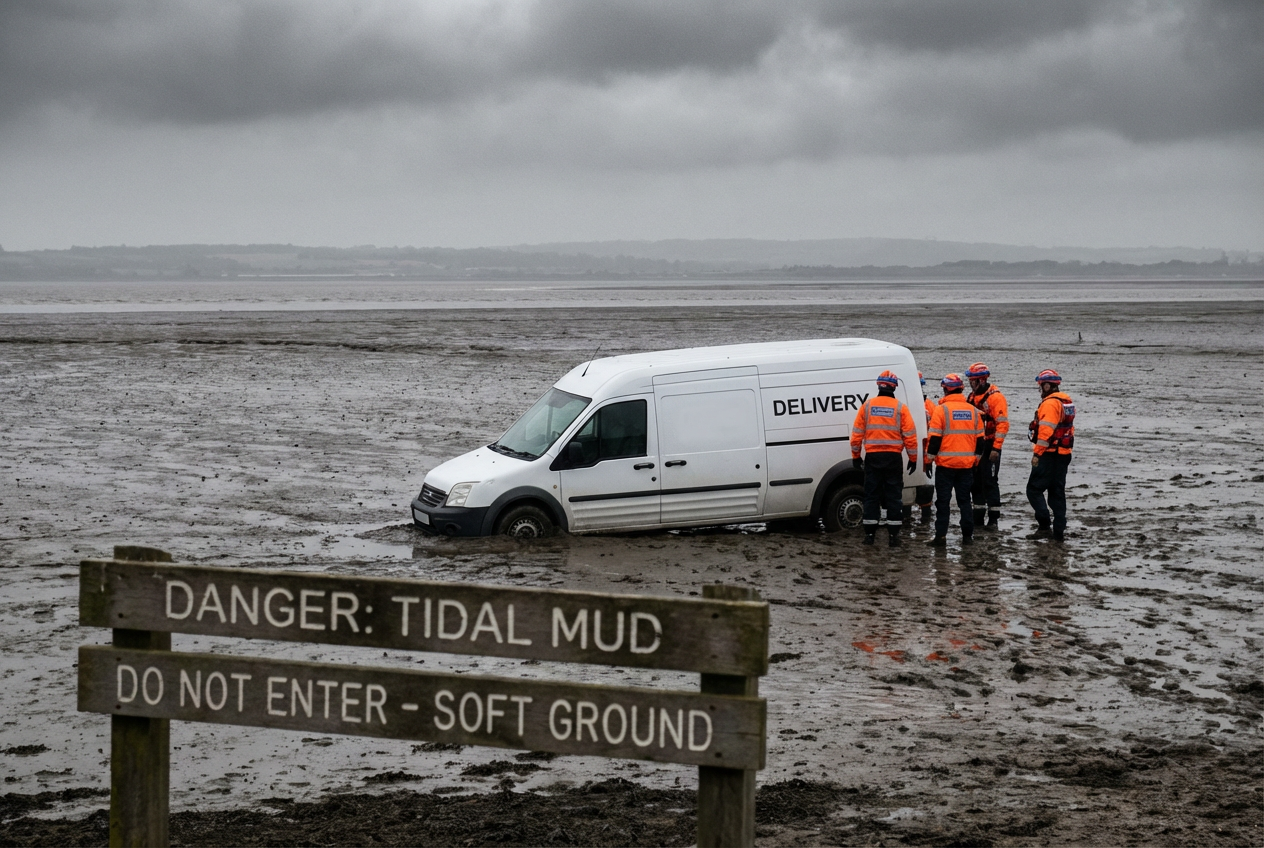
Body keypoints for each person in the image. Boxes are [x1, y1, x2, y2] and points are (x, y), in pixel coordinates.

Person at [851, 370, 918, 547]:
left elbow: (857, 434)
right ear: (894, 387)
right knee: (894, 496)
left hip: (873, 457)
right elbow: (910, 436)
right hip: (893, 458)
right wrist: (913, 458)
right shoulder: (901, 408)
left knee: (871, 496)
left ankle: (869, 536)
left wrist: (856, 456)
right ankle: (894, 537)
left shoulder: (867, 406)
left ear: (878, 386)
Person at [925, 373, 986, 547]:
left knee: (943, 502)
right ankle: (967, 536)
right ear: (961, 389)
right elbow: (980, 441)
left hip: (945, 466)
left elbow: (935, 439)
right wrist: (976, 460)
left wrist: (928, 460)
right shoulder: (973, 411)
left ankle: (941, 537)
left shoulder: (940, 410)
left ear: (945, 389)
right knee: (965, 501)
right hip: (966, 466)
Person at [1026, 369, 1076, 541]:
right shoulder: (1066, 402)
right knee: (1057, 492)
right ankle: (1059, 531)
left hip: (1049, 454)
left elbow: (1045, 432)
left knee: (1033, 489)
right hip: (1064, 454)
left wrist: (1037, 454)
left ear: (1047, 385)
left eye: (1041, 386)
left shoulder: (1049, 404)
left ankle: (1044, 524)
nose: (1040, 390)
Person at [966, 362, 1010, 531]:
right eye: (970, 381)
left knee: (990, 481)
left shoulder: (995, 398)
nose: (971, 384)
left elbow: (1002, 425)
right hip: (975, 445)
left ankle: (993, 520)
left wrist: (996, 449)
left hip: (990, 445)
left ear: (982, 381)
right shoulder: (971, 397)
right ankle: (977, 517)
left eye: (973, 381)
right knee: (975, 481)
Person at [916, 372, 935, 524]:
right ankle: (907, 514)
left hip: (925, 451)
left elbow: (934, 433)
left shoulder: (930, 406)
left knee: (925, 486)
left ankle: (926, 517)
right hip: (913, 451)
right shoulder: (927, 406)